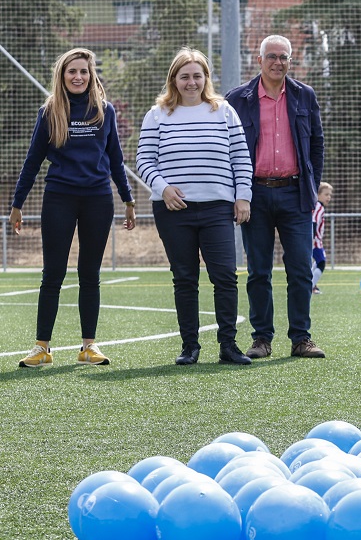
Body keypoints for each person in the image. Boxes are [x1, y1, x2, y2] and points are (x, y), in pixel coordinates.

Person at [11, 47, 137, 368]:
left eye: (84, 71)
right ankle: (42, 348)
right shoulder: (49, 111)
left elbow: (116, 161)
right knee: (52, 274)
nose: (78, 77)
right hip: (59, 198)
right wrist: (17, 204)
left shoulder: (104, 111)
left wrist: (128, 199)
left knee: (89, 274)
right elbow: (32, 161)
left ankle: (88, 347)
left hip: (97, 199)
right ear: (62, 76)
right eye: (72, 72)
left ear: (91, 75)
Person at [136, 48, 254, 366]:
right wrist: (163, 188)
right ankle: (190, 347)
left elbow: (241, 158)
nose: (191, 82)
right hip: (173, 209)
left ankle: (228, 346)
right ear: (174, 79)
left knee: (225, 276)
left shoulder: (224, 111)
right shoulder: (158, 114)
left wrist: (243, 196)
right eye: (185, 76)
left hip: (218, 207)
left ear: (206, 78)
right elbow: (144, 161)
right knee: (185, 278)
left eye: (197, 76)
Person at [225, 34, 326, 359]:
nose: (278, 62)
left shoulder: (304, 96)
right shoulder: (238, 99)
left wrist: (312, 188)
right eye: (272, 56)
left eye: (283, 57)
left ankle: (301, 339)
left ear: (289, 60)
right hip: (254, 195)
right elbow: (227, 147)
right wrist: (237, 193)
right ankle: (261, 339)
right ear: (259, 60)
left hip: (295, 196)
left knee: (300, 268)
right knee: (258, 272)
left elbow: (317, 146)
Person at [311, 182, 333, 294]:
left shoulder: (319, 207)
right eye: (326, 194)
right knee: (321, 263)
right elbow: (313, 222)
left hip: (317, 241)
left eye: (330, 195)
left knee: (317, 262)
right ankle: (310, 286)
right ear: (318, 194)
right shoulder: (318, 207)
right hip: (314, 241)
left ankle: (311, 284)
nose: (328, 197)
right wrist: (311, 239)